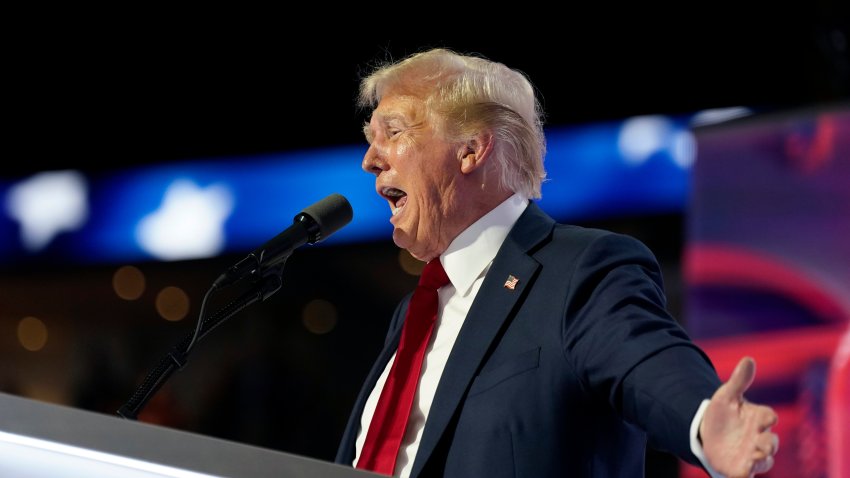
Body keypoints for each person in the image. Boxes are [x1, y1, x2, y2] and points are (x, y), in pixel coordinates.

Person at [335, 48, 779, 478]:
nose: (369, 161)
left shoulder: (580, 269)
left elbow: (646, 361)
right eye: (371, 141)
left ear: (471, 149)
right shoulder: (412, 316)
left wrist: (702, 420)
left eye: (392, 133)